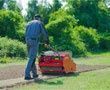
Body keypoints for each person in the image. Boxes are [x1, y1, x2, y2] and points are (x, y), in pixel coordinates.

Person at [24, 14, 49, 80]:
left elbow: (25, 33)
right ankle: (27, 75)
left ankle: (34, 74)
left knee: (32, 57)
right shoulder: (39, 23)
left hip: (27, 41)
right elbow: (44, 33)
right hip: (34, 41)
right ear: (39, 18)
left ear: (34, 18)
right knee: (32, 58)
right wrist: (46, 42)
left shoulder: (28, 23)